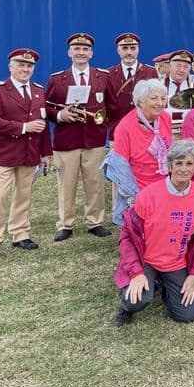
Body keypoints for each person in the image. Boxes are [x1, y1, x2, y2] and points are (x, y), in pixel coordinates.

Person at [112, 140, 194, 326]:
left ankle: (166, 287)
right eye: (178, 163)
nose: (183, 169)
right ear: (170, 165)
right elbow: (127, 238)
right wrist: (136, 272)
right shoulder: (148, 195)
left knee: (188, 314)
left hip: (176, 262)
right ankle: (127, 302)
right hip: (146, 260)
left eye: (189, 163)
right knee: (137, 301)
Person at [0, 48, 52, 262]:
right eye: (20, 64)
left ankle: (20, 233)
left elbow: (42, 125)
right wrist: (23, 127)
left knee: (24, 195)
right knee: (0, 197)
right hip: (3, 154)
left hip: (29, 154)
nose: (25, 69)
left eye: (29, 65)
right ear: (10, 66)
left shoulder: (39, 91)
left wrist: (46, 154)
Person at [45, 33, 111, 242]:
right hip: (67, 140)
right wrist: (60, 115)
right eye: (76, 49)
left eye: (85, 49)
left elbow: (111, 105)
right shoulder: (57, 79)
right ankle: (66, 223)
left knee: (95, 182)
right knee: (67, 183)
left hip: (94, 138)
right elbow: (45, 108)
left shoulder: (103, 77)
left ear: (91, 53)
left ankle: (95, 221)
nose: (81, 52)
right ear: (69, 52)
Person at [111, 79, 173, 190]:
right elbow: (121, 168)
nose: (160, 103)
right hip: (138, 188)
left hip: (166, 184)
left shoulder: (165, 118)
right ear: (140, 101)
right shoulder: (125, 127)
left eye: (163, 98)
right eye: (154, 98)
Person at [105, 33, 158, 142]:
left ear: (138, 50)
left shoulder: (150, 72)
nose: (129, 52)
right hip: (117, 132)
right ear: (118, 50)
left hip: (145, 131)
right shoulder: (108, 74)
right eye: (124, 48)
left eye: (133, 48)